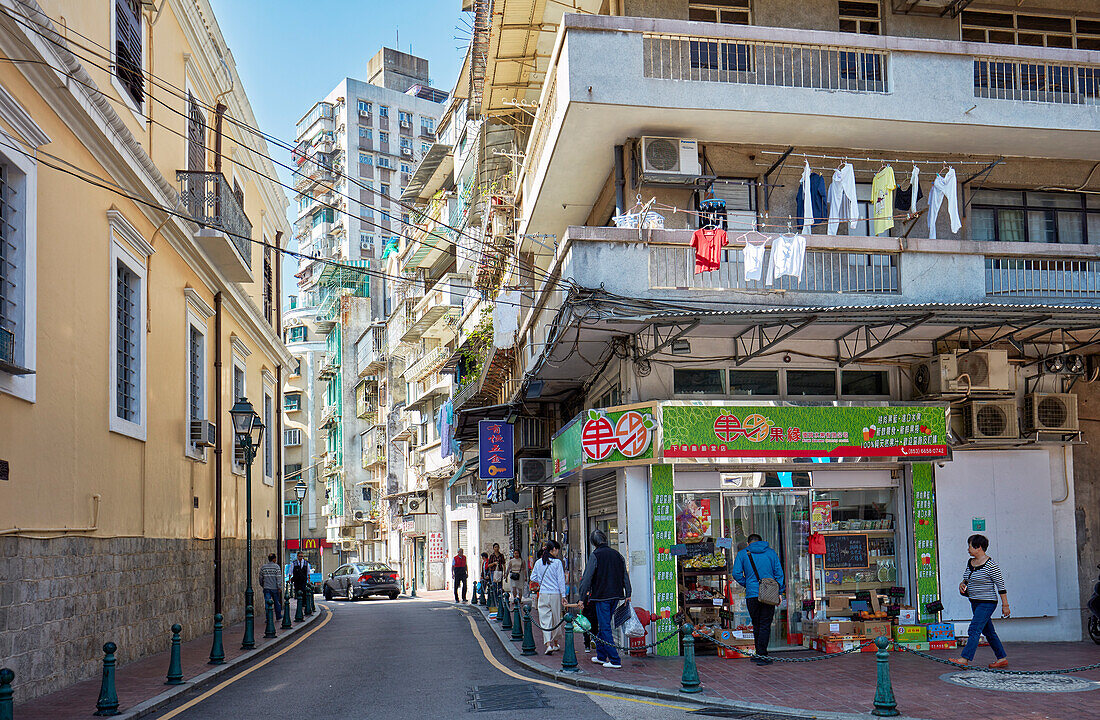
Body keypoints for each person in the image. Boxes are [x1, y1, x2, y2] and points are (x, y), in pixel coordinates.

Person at [951, 534, 1010, 668]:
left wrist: (1005, 605)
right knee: (988, 632)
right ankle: (1002, 658)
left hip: (987, 602)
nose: (968, 549)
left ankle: (964, 659)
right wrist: (962, 583)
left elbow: (1001, 586)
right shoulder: (970, 562)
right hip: (975, 601)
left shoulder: (991, 566)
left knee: (974, 629)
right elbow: (967, 577)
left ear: (979, 548)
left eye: (970, 546)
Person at [578, 530, 631, 669]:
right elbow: (624, 575)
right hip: (616, 595)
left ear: (593, 543)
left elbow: (587, 578)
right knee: (603, 625)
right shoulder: (618, 555)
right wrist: (628, 593)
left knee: (605, 627)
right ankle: (601, 656)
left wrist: (582, 598)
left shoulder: (595, 555)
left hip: (601, 596)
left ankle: (615, 660)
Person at [732, 533, 785, 666]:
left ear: (748, 543)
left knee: (756, 623)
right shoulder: (771, 553)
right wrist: (779, 591)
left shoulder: (743, 554)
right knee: (765, 624)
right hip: (769, 593)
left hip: (752, 594)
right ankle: (763, 654)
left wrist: (747, 584)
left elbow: (736, 573)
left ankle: (758, 653)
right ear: (761, 542)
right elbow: (779, 574)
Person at [530, 540, 566, 654]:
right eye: (557, 550)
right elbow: (561, 580)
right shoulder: (557, 563)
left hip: (543, 594)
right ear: (553, 549)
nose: (558, 552)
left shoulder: (539, 563)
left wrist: (542, 582)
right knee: (556, 619)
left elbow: (533, 577)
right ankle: (555, 642)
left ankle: (549, 644)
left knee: (545, 620)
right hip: (555, 594)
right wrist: (563, 595)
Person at [259, 553, 283, 619]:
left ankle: (268, 617)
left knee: (267, 603)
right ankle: (278, 616)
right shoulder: (277, 567)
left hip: (266, 588)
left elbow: (260, 578)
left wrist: (263, 585)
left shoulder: (263, 567)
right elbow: (278, 578)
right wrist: (279, 587)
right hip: (274, 588)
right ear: (274, 559)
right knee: (276, 602)